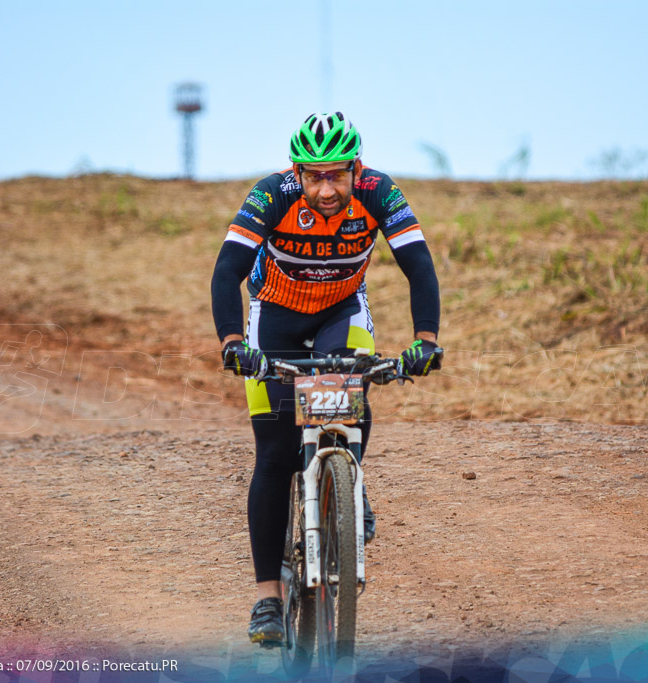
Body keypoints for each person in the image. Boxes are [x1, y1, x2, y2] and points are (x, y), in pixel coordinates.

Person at [210, 112, 442, 645]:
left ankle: (349, 488)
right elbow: (228, 270)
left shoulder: (379, 191)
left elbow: (419, 265)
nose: (326, 188)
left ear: (355, 168)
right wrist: (232, 343)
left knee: (350, 397)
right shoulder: (272, 194)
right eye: (314, 176)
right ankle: (268, 597)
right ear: (298, 171)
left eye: (336, 174)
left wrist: (424, 341)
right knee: (273, 452)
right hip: (275, 313)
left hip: (343, 312)